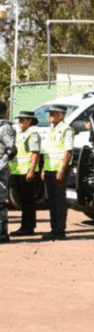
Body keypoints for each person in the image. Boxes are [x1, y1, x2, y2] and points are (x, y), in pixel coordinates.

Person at [40, 105, 74, 240]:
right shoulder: (51, 130)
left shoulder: (67, 130)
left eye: (53, 114)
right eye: (50, 114)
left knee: (59, 201)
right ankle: (54, 228)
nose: (50, 117)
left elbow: (68, 151)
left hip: (59, 169)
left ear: (61, 115)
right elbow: (48, 152)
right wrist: (43, 169)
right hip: (49, 168)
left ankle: (59, 230)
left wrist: (61, 169)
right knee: (51, 200)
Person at [9, 110, 41, 237]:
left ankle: (28, 227)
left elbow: (35, 153)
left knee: (28, 201)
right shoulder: (21, 133)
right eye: (19, 120)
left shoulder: (32, 133)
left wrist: (31, 170)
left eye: (23, 120)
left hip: (27, 172)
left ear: (30, 121)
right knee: (23, 201)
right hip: (18, 170)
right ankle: (25, 226)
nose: (20, 122)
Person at [0, 100, 17, 243]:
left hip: (0, 170)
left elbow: (11, 149)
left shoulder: (5, 128)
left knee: (0, 203)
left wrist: (1, 163)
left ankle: (2, 234)